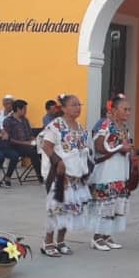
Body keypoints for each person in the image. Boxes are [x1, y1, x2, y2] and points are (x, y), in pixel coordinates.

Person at [41, 94, 92, 257]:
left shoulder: (81, 127)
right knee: (56, 209)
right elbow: (46, 146)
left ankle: (61, 241)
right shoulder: (55, 126)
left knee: (68, 210)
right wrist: (58, 161)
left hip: (77, 177)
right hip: (60, 177)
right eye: (73, 105)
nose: (77, 108)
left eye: (79, 104)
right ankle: (48, 242)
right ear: (63, 108)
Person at [87, 95, 133, 251]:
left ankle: (107, 235)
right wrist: (120, 148)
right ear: (114, 110)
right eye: (124, 109)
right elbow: (99, 146)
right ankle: (97, 237)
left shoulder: (124, 127)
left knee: (115, 202)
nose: (128, 112)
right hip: (106, 170)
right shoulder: (106, 125)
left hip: (120, 169)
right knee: (104, 202)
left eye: (129, 109)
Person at [3, 99, 43, 183]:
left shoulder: (25, 120)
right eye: (24, 109)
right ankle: (40, 177)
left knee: (41, 149)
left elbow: (30, 134)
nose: (26, 111)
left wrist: (34, 139)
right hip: (14, 146)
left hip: (27, 145)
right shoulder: (8, 121)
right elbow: (9, 139)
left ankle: (43, 173)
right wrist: (25, 143)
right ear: (18, 109)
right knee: (33, 152)